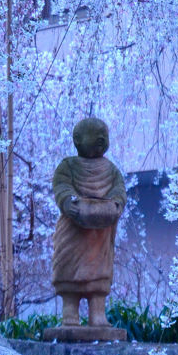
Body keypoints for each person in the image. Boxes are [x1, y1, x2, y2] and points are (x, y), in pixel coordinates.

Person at [51, 117, 126, 327]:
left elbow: (119, 191)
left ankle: (98, 315)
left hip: (100, 234)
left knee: (99, 274)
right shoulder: (68, 166)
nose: (102, 139)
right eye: (96, 134)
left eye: (105, 135)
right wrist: (69, 203)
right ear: (77, 140)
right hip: (72, 231)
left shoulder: (111, 170)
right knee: (69, 272)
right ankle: (70, 315)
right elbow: (62, 187)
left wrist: (116, 204)